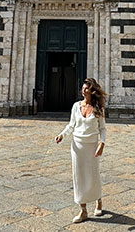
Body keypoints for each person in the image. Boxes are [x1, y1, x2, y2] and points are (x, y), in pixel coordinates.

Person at [54, 78, 107, 224]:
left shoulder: (98, 108)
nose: (83, 91)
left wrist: (101, 144)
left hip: (92, 146)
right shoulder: (76, 106)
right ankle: (83, 210)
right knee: (79, 176)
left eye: (86, 89)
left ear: (92, 91)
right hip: (77, 145)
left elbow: (102, 128)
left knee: (93, 174)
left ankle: (98, 200)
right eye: (83, 88)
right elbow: (71, 125)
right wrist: (62, 135)